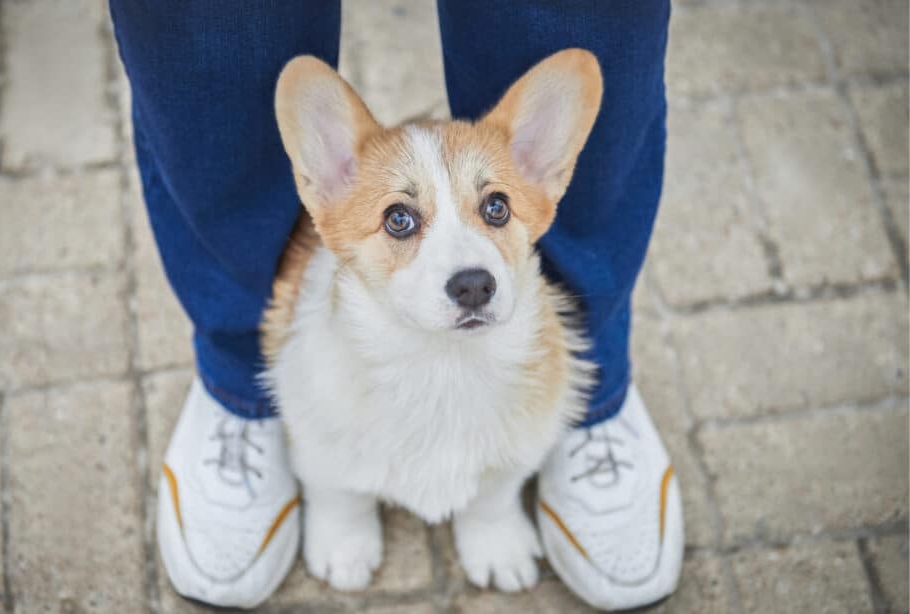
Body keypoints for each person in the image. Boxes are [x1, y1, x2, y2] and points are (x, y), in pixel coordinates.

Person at [109, 1, 680, 610]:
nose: (470, 270)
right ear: (327, 188)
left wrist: (490, 514)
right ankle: (236, 387)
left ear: (540, 179)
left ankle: (590, 411)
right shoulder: (320, 391)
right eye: (401, 220)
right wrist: (338, 511)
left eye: (493, 209)